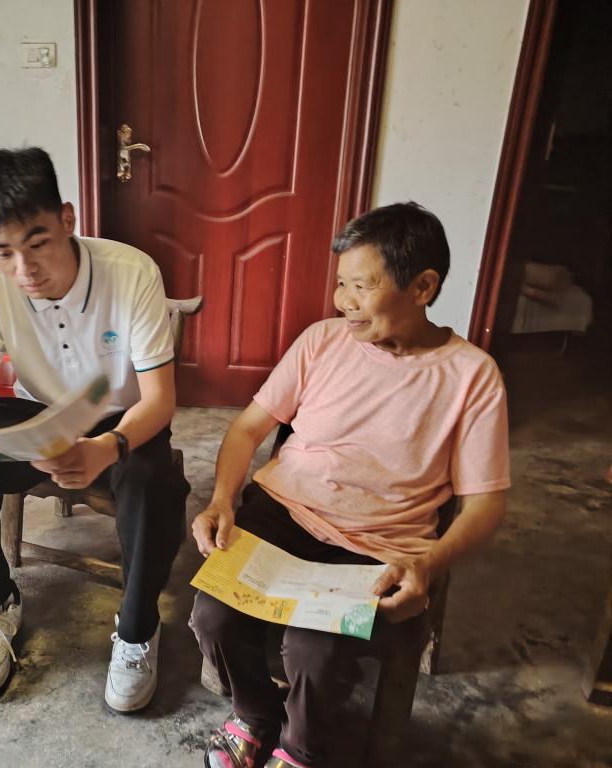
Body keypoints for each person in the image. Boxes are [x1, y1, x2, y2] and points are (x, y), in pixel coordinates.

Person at [189, 203, 510, 768]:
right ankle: (255, 714)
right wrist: (221, 500)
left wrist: (427, 564)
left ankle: (300, 751)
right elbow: (247, 429)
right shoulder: (322, 341)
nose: (343, 302)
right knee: (212, 615)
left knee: (312, 649)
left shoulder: (471, 376)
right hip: (283, 514)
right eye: (341, 283)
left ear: (423, 286)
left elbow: (484, 505)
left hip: (378, 545)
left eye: (362, 286)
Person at [0, 147, 189, 712]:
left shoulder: (132, 271)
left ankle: (138, 629)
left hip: (122, 420)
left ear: (67, 219)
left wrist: (106, 447)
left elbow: (160, 400)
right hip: (37, 415)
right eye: (2, 252)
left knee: (154, 483)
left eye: (38, 243)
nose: (25, 270)